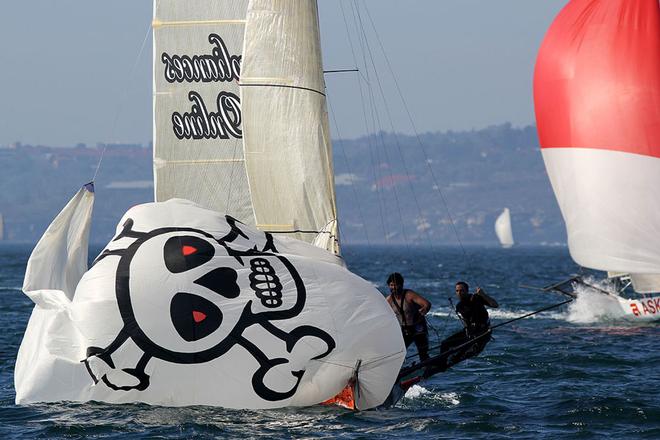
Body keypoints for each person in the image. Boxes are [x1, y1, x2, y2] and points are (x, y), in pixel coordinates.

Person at [435, 281, 499, 372]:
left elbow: (495, 305)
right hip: (470, 332)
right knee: (445, 344)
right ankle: (440, 364)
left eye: (462, 291)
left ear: (467, 291)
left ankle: (452, 360)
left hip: (482, 332)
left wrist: (483, 295)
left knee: (461, 354)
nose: (459, 293)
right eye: (457, 291)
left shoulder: (476, 298)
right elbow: (465, 323)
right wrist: (467, 333)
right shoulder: (459, 306)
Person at [385, 272, 432, 361]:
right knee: (397, 353)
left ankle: (426, 366)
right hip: (405, 329)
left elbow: (427, 304)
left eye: (396, 285)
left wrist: (424, 310)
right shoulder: (389, 300)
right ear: (388, 286)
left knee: (423, 353)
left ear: (401, 285)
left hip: (418, 327)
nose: (394, 288)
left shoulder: (409, 295)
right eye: (391, 285)